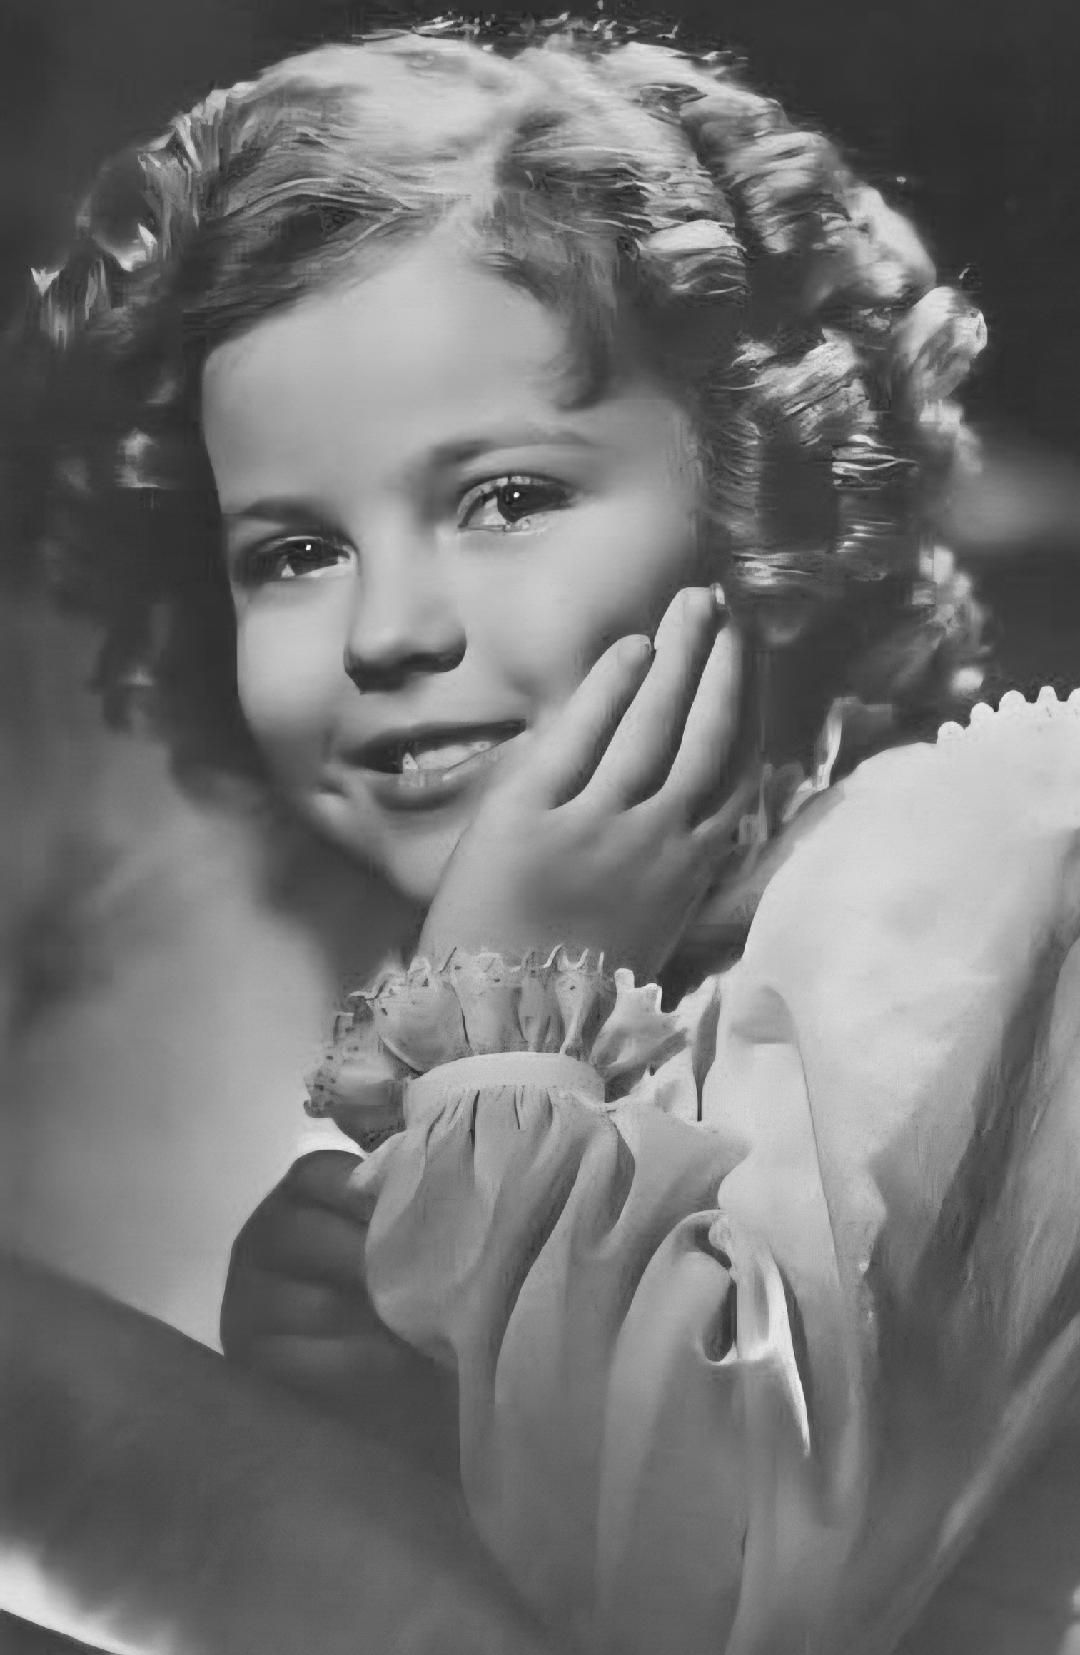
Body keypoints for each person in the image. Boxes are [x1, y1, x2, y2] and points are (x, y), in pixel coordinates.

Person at [14, 17, 1080, 1654]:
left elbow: (727, 1603)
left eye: (504, 498)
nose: (387, 632)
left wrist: (500, 1030)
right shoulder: (639, 1003)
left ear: (767, 494)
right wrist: (406, 1409)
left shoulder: (972, 877)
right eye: (293, 551)